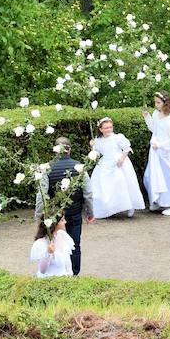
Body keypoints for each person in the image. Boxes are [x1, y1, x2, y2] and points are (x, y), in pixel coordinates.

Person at [35, 138, 94, 276]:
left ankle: (57, 274)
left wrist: (39, 217)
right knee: (74, 245)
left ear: (54, 150)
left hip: (54, 217)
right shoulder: (80, 167)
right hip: (74, 213)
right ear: (70, 150)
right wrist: (89, 213)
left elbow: (42, 195)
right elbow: (88, 193)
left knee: (54, 245)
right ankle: (74, 274)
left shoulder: (46, 168)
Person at [88, 117, 144, 219]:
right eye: (106, 128)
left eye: (110, 127)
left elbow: (126, 148)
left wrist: (122, 159)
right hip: (105, 163)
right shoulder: (98, 140)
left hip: (119, 162)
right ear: (101, 129)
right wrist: (92, 146)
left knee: (123, 183)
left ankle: (130, 206)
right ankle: (108, 208)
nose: (109, 129)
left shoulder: (117, 137)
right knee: (105, 186)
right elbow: (97, 152)